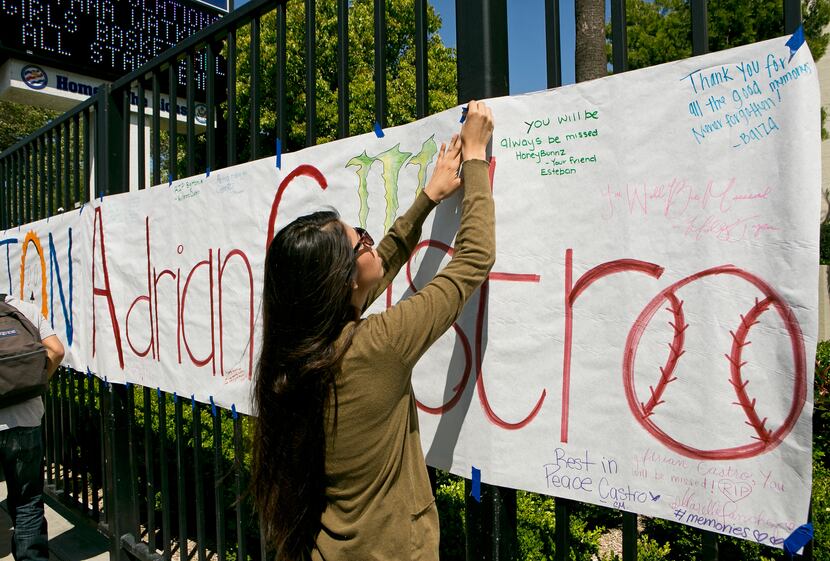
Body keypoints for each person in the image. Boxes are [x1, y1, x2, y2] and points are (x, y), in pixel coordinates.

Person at [252, 100, 495, 560]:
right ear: (340, 281)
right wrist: (478, 157)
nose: (369, 239)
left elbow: (371, 270)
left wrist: (428, 198)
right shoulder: (377, 347)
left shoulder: (298, 357)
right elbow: (474, 258)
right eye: (359, 237)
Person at [0, 294, 65, 561]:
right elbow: (57, 350)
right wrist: (37, 382)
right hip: (26, 419)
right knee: (27, 502)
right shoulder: (21, 308)